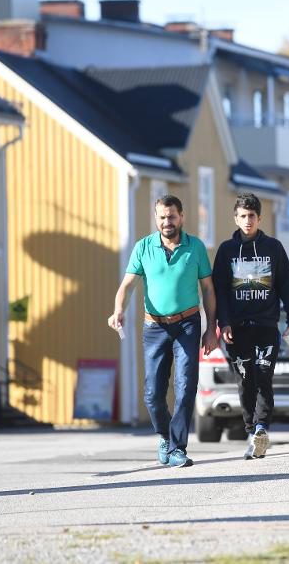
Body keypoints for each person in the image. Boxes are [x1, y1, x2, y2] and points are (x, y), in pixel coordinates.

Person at [109, 195, 216, 468]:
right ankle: (165, 437)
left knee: (185, 386)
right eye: (161, 217)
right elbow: (127, 285)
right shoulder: (143, 247)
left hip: (188, 325)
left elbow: (208, 291)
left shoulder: (196, 248)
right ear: (156, 218)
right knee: (153, 394)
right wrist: (118, 309)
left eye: (171, 216)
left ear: (182, 217)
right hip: (154, 327)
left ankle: (178, 447)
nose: (166, 222)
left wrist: (211, 329)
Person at [212, 193, 289, 461]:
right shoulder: (227, 251)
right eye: (243, 216)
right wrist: (223, 322)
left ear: (259, 218)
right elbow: (220, 291)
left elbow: (287, 285)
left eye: (252, 216)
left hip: (265, 325)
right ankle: (253, 433)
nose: (247, 221)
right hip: (237, 328)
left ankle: (261, 428)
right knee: (245, 381)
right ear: (235, 218)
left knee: (263, 376)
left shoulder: (273, 248)